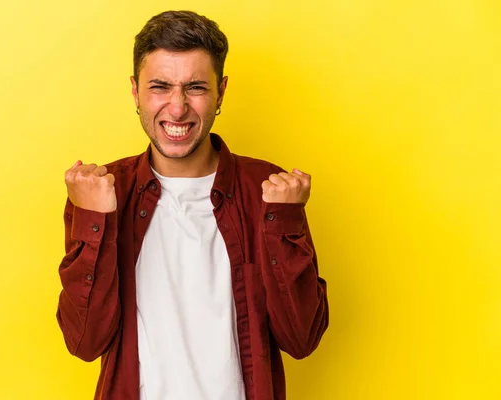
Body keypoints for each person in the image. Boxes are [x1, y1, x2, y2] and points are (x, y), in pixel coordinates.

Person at [56, 10, 328, 400]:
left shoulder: (266, 190)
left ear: (222, 91)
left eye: (196, 87)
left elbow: (301, 339)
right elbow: (84, 342)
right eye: (160, 86)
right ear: (135, 91)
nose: (178, 107)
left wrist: (284, 221)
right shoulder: (102, 192)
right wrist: (93, 220)